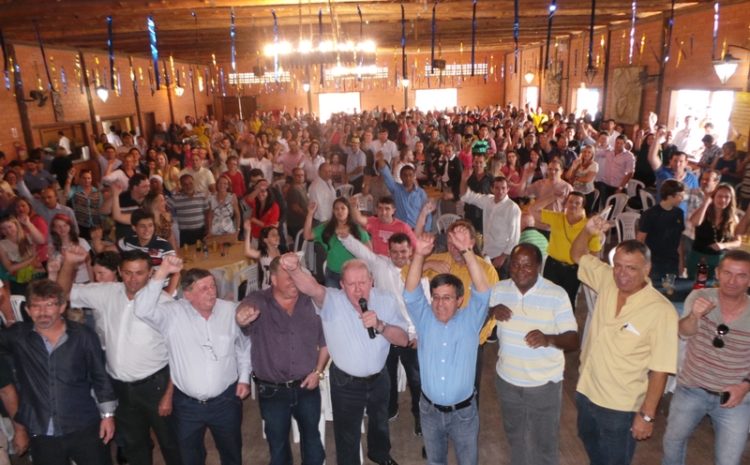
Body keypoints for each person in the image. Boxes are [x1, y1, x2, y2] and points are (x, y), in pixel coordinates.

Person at [280, 252, 408, 465]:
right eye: (351, 284)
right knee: (347, 433)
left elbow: (403, 340)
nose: (358, 289)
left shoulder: (387, 300)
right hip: (346, 382)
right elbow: (310, 286)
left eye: (362, 282)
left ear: (371, 281)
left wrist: (380, 325)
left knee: (380, 423)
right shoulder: (331, 300)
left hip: (380, 377)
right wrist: (294, 269)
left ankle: (380, 455)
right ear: (341, 285)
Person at [57, 247, 182, 465]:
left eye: (140, 273)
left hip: (156, 385)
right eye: (127, 272)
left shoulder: (165, 304)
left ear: (151, 274)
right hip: (121, 387)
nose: (133, 279)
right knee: (134, 446)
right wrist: (68, 264)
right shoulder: (106, 292)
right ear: (118, 270)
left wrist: (169, 394)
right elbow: (61, 295)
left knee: (171, 442)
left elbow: (179, 353)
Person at [570, 217, 678, 465]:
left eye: (631, 268)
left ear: (647, 270)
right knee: (592, 448)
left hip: (620, 406)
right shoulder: (607, 279)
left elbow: (661, 369)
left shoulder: (661, 311)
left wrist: (647, 416)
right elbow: (577, 254)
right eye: (618, 265)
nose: (622, 273)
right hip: (586, 392)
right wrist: (587, 231)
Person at [135, 257, 251, 465]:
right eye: (204, 288)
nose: (212, 291)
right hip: (187, 405)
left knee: (232, 453)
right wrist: (162, 272)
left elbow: (243, 346)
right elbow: (142, 310)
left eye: (212, 285)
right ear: (188, 294)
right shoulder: (172, 315)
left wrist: (244, 378)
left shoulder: (230, 310)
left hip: (226, 401)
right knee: (190, 457)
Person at [0, 279, 116, 465]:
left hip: (83, 425)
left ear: (62, 307)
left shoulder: (83, 335)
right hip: (42, 431)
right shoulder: (18, 337)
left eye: (49, 305)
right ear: (28, 310)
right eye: (36, 306)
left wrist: (108, 416)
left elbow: (99, 376)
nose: (43, 312)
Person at [403, 225, 490, 465]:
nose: (440, 304)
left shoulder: (471, 320)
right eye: (436, 297)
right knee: (435, 462)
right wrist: (420, 255)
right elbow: (410, 293)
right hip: (429, 412)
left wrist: (467, 251)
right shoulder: (424, 319)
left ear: (460, 300)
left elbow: (483, 292)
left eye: (448, 298)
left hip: (463, 413)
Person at [488, 243, 578, 465]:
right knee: (515, 437)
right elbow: (478, 322)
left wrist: (549, 338)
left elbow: (573, 339)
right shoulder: (499, 289)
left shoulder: (556, 294)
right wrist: (491, 311)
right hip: (508, 381)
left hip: (543, 384)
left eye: (527, 266)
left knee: (544, 443)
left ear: (539, 266)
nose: (520, 270)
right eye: (516, 265)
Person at [235, 256, 329, 465]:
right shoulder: (259, 300)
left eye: (297, 276)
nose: (294, 282)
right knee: (278, 448)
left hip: (307, 387)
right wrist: (241, 316)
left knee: (313, 443)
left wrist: (319, 372)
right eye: (288, 278)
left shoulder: (311, 301)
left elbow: (326, 342)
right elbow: (243, 313)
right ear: (274, 279)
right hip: (272, 390)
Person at [661, 249, 750, 465]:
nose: (732, 280)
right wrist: (694, 315)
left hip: (735, 399)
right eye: (727, 273)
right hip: (691, 389)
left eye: (741, 275)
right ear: (717, 273)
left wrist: (745, 386)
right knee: (672, 442)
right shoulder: (700, 296)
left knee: (728, 460)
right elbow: (684, 332)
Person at [338, 231, 422, 436]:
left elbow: (425, 306)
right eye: (395, 252)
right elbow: (359, 250)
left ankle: (420, 417)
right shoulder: (380, 265)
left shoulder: (420, 271)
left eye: (403, 251)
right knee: (388, 376)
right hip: (387, 332)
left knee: (417, 380)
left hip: (412, 336)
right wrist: (344, 235)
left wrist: (419, 335)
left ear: (410, 251)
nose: (399, 256)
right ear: (389, 253)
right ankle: (391, 409)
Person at [531, 191, 602, 307]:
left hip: (573, 269)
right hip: (552, 266)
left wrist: (590, 272)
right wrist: (551, 196)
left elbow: (595, 252)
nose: (573, 205)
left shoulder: (589, 226)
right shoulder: (557, 217)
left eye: (577, 203)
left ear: (582, 206)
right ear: (565, 204)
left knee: (567, 302)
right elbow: (533, 210)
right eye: (570, 201)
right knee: (548, 299)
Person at [460, 170, 520, 277]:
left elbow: (515, 237)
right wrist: (464, 180)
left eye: (503, 188)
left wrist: (503, 257)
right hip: (487, 253)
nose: (500, 191)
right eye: (497, 188)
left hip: (502, 257)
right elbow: (467, 196)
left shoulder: (513, 208)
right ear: (492, 189)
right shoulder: (488, 200)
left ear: (508, 189)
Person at [304, 198, 371, 288]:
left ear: (348, 210)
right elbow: (307, 236)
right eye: (336, 209)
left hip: (354, 274)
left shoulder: (357, 229)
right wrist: (310, 214)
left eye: (343, 208)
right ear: (333, 211)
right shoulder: (326, 227)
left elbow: (369, 251)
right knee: (333, 301)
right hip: (333, 273)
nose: (339, 211)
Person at [687, 183, 740, 279]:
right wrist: (706, 203)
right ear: (713, 197)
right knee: (698, 288)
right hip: (700, 257)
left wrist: (724, 245)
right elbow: (695, 223)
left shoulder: (733, 218)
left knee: (713, 290)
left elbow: (738, 242)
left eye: (727, 197)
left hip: (719, 260)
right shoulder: (704, 212)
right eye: (719, 196)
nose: (723, 200)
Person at [637, 179, 686, 281]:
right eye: (680, 196)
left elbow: (679, 239)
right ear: (670, 196)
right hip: (654, 264)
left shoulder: (679, 213)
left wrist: (681, 262)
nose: (683, 199)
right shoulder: (650, 214)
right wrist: (642, 264)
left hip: (672, 262)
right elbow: (640, 241)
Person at [350, 195, 416, 257]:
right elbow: (358, 219)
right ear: (376, 210)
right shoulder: (373, 221)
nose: (383, 212)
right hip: (378, 261)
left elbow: (416, 246)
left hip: (396, 263)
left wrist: (408, 260)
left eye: (387, 209)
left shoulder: (403, 227)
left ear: (393, 211)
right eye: (380, 208)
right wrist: (353, 207)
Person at [172, 174, 210, 246]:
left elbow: (207, 213)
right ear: (181, 185)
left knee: (202, 253)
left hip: (200, 232)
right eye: (185, 184)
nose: (188, 186)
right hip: (185, 234)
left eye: (190, 183)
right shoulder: (176, 198)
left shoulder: (202, 195)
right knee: (186, 255)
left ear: (194, 183)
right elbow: (165, 208)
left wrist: (208, 229)